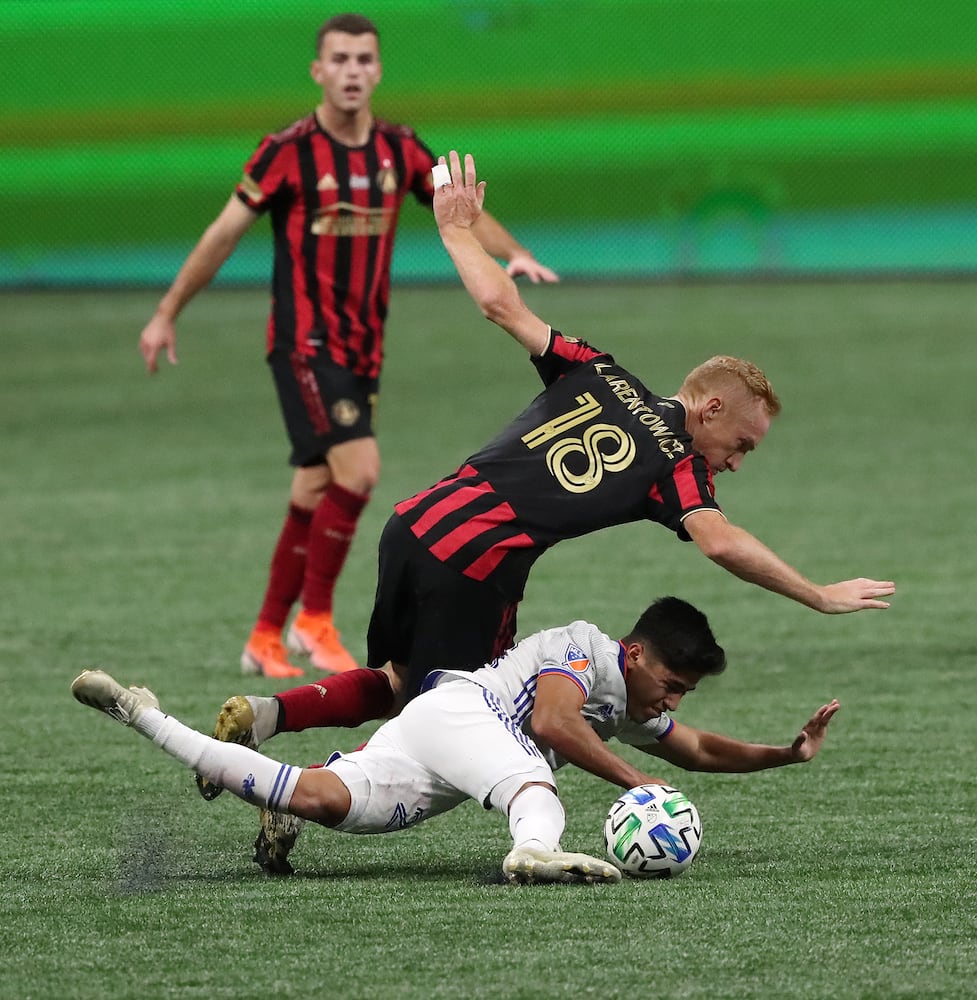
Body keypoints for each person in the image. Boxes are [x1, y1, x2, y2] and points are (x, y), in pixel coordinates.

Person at [194, 149, 892, 777]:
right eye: (740, 444)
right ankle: (298, 792)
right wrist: (817, 594)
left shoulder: (599, 370)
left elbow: (500, 303)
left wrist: (453, 230)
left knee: (400, 680)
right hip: (477, 566)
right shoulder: (677, 462)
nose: (736, 463)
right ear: (708, 409)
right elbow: (719, 541)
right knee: (451, 716)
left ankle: (269, 716)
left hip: (414, 524)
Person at [137, 16, 558, 679]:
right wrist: (166, 312)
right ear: (318, 71)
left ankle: (264, 636)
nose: (353, 70)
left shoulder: (399, 148)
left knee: (315, 484)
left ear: (378, 70)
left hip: (363, 348)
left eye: (364, 58)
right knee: (358, 472)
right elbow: (221, 235)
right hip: (305, 345)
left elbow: (460, 206)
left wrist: (516, 253)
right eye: (340, 59)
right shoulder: (285, 151)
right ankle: (314, 621)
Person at [72, 596, 842, 883]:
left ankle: (143, 715)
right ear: (635, 655)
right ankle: (532, 850)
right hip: (464, 714)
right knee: (537, 785)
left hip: (435, 750)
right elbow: (549, 724)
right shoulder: (582, 647)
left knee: (315, 798)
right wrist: (634, 787)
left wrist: (785, 753)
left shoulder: (628, 701)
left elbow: (698, 750)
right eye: (672, 684)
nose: (671, 702)